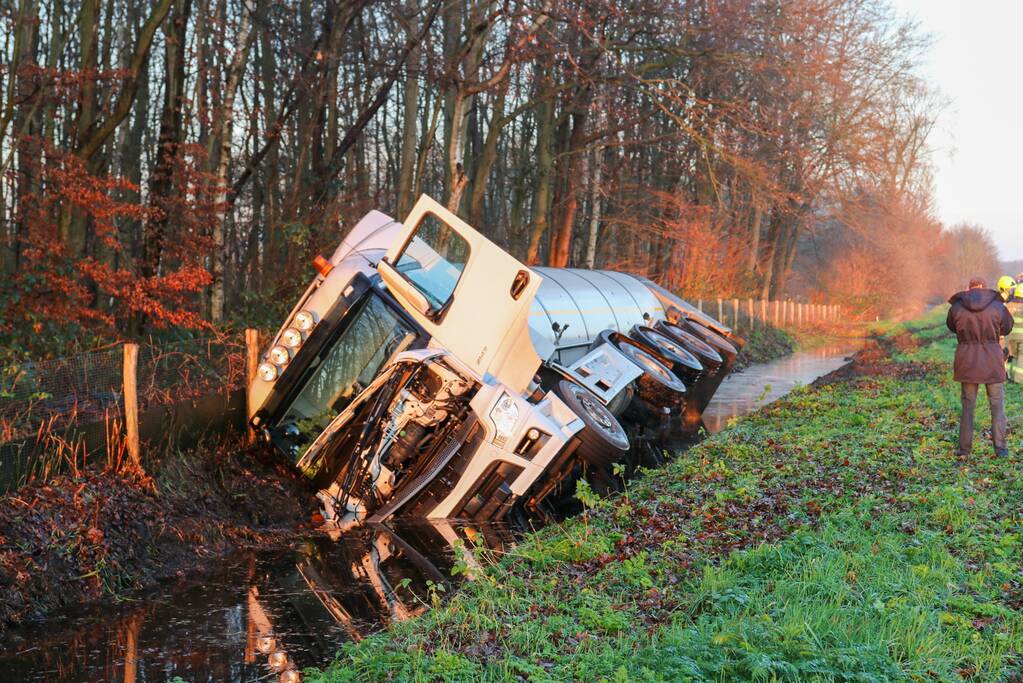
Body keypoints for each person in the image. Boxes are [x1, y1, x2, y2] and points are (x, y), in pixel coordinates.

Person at [946, 277, 1014, 457]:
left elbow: (952, 327)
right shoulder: (998, 306)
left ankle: (964, 450)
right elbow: (1007, 328)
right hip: (992, 361)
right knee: (997, 406)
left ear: (969, 289)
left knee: (968, 407)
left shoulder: (957, 307)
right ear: (984, 288)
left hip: (967, 362)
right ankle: (1001, 449)